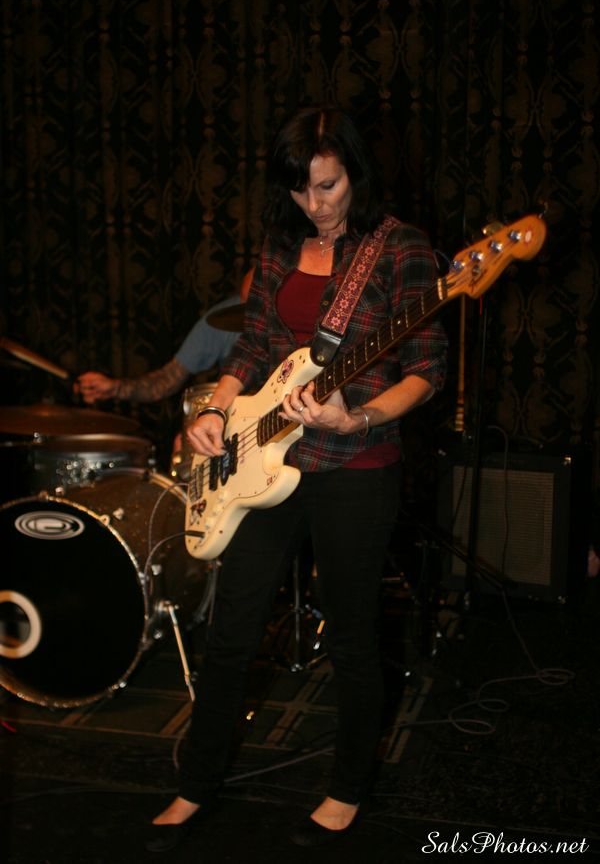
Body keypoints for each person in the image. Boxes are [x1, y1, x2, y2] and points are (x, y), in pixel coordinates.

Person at [145, 106, 448, 853]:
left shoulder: (401, 247)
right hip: (261, 463)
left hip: (356, 467)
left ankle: (347, 788)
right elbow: (255, 345)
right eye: (300, 189)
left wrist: (358, 416)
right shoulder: (283, 243)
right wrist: (216, 408)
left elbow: (427, 371)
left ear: (355, 174)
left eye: (328, 185)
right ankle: (196, 784)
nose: (315, 204)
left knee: (351, 637)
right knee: (230, 632)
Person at [75, 280, 252, 406]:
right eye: (243, 305)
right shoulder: (224, 317)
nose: (248, 316)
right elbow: (167, 380)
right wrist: (115, 388)